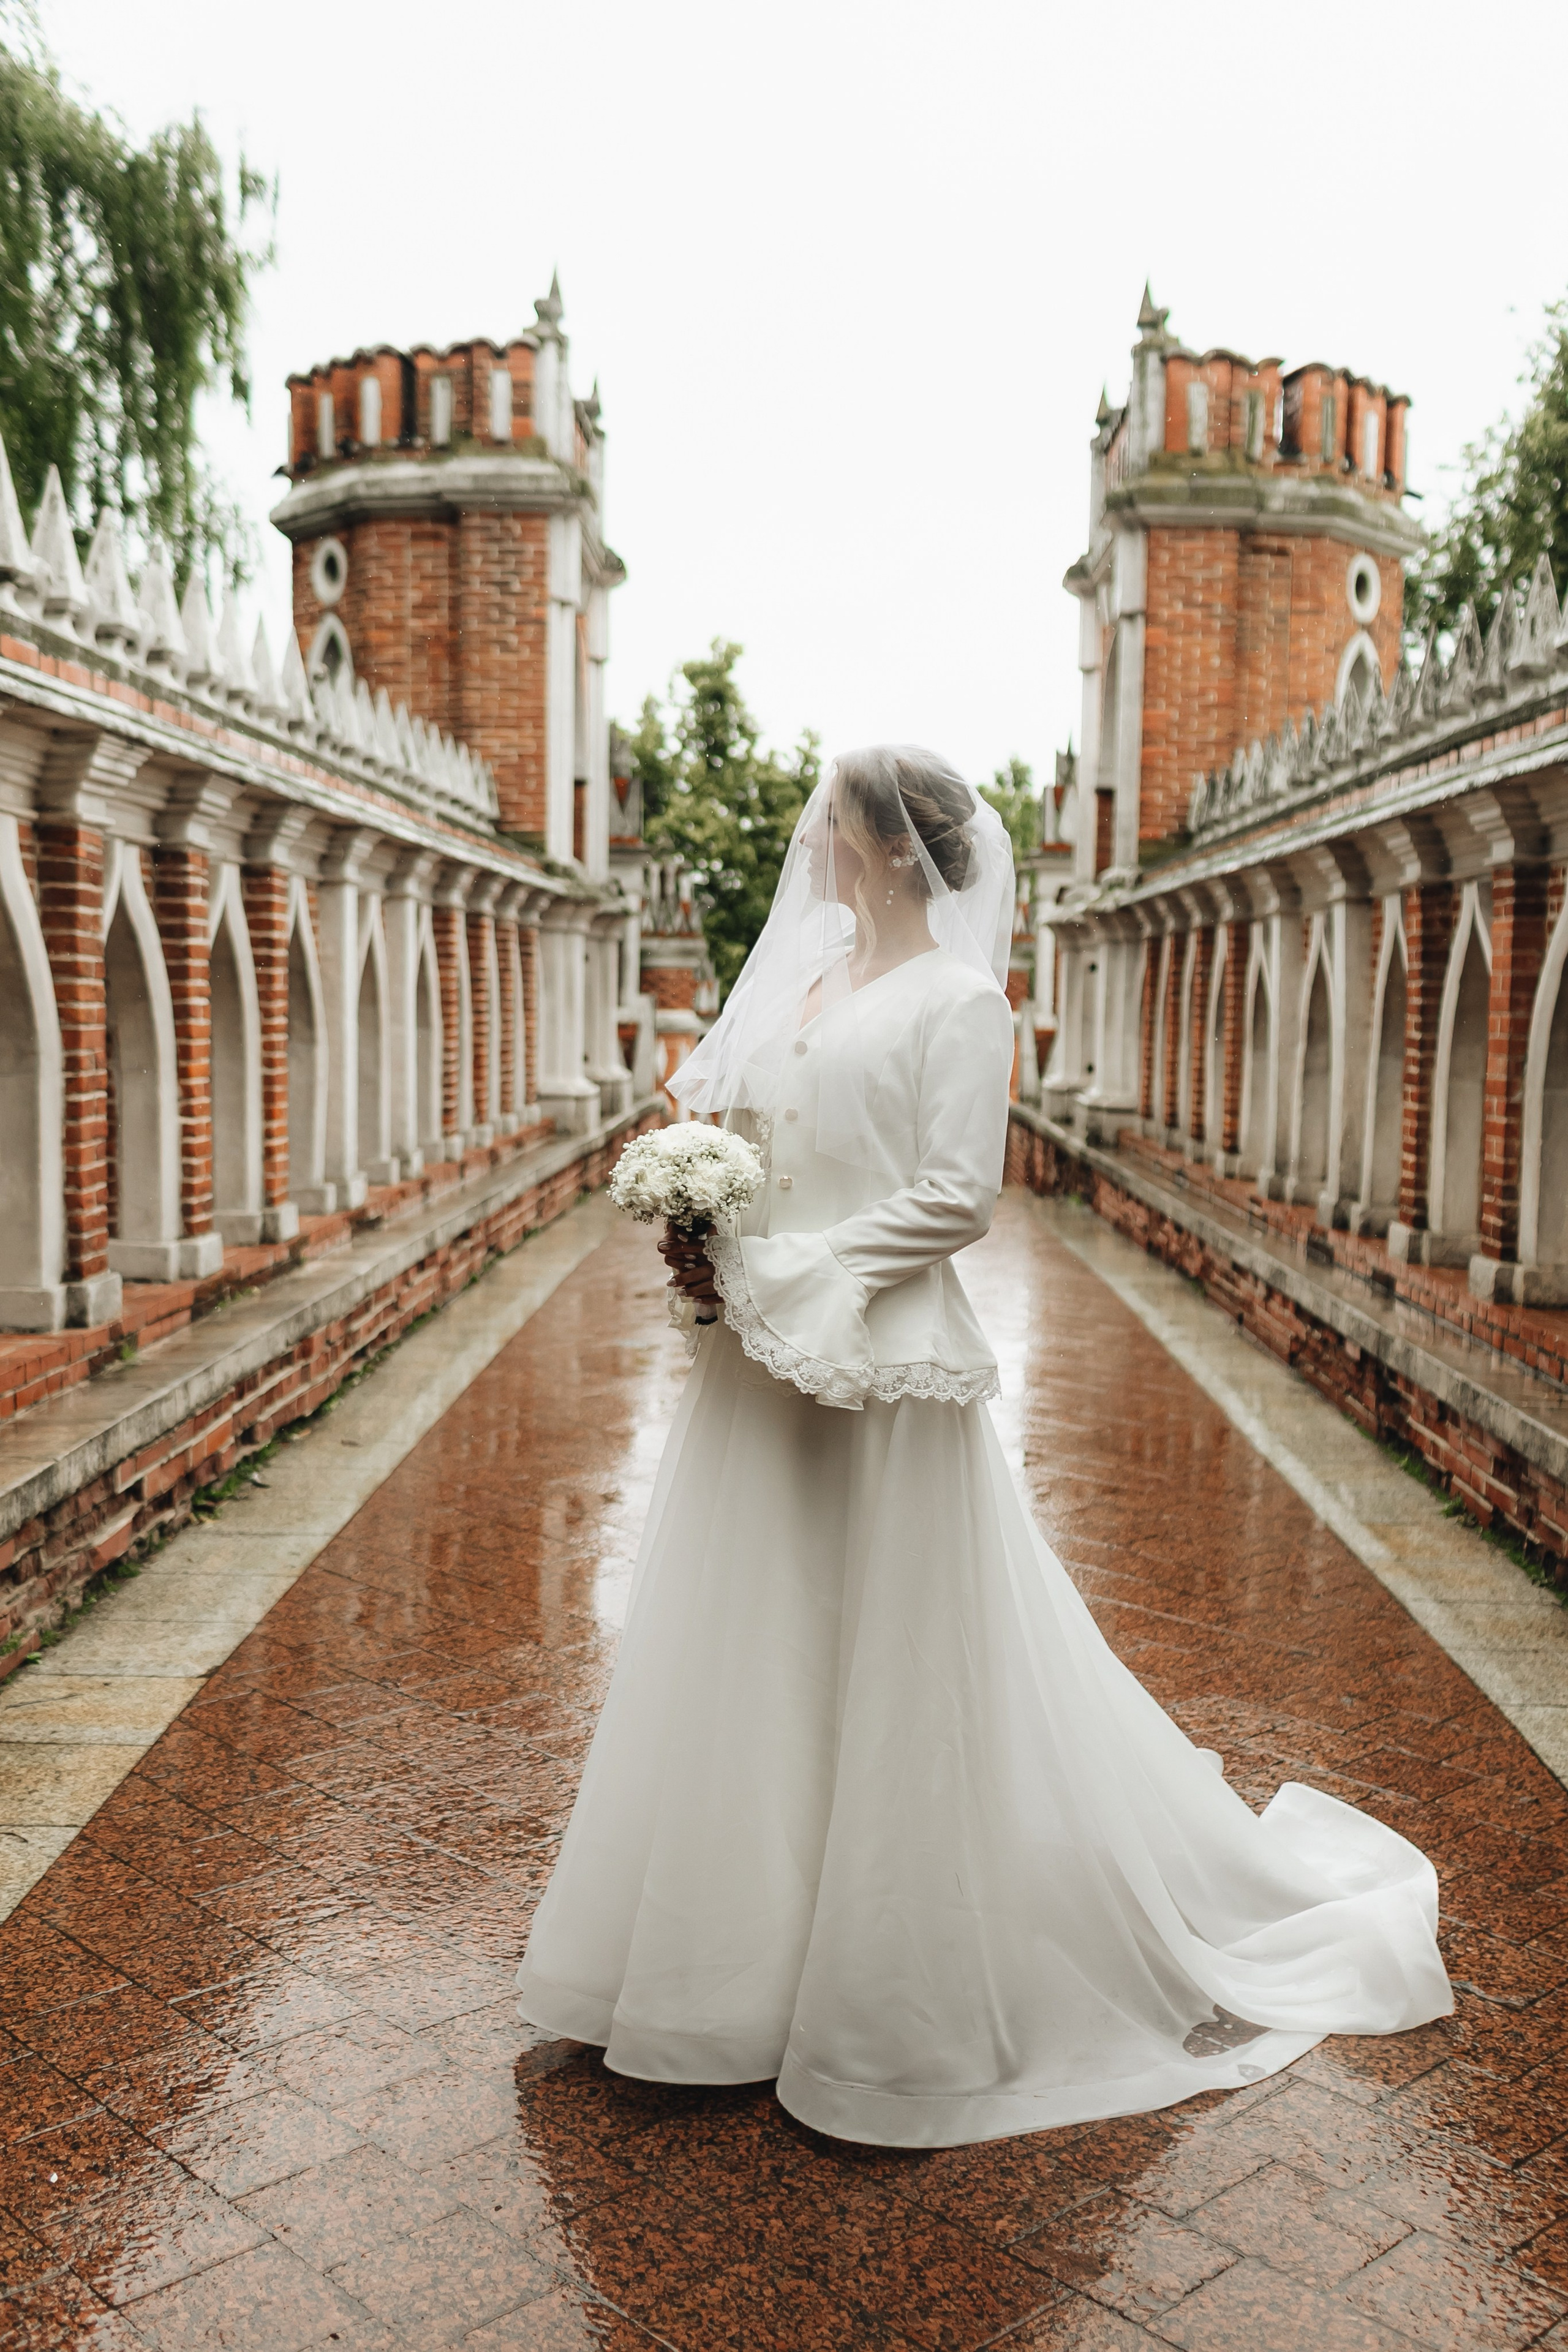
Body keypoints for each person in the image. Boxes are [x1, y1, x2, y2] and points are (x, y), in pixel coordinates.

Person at [514, 745, 1452, 2150]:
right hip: (760, 1361)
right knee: (751, 1637)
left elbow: (957, 1197)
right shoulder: (810, 978)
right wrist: (703, 1211)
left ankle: (886, 1985)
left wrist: (799, 1271)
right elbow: (732, 1120)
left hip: (881, 1362)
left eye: (829, 817)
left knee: (885, 1645)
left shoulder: (958, 1002)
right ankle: (722, 1974)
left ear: (893, 847)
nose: (809, 836)